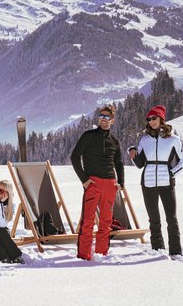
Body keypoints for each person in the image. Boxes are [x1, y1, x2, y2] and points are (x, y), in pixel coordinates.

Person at [128, 105, 183, 257]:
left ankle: (175, 252)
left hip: (167, 184)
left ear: (161, 119)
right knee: (154, 220)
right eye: (149, 119)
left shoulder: (173, 140)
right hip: (147, 183)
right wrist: (134, 154)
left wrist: (171, 173)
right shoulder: (144, 140)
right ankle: (158, 250)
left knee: (171, 218)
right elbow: (140, 164)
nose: (152, 121)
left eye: (154, 118)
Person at [70, 104, 125, 260]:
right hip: (92, 182)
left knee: (106, 222)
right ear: (98, 118)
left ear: (112, 120)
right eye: (101, 116)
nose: (104, 120)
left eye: (107, 117)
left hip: (110, 183)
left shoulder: (114, 141)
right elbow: (75, 157)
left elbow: (119, 162)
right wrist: (84, 180)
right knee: (87, 221)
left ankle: (102, 253)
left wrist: (121, 182)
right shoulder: (88, 135)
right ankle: (84, 255)